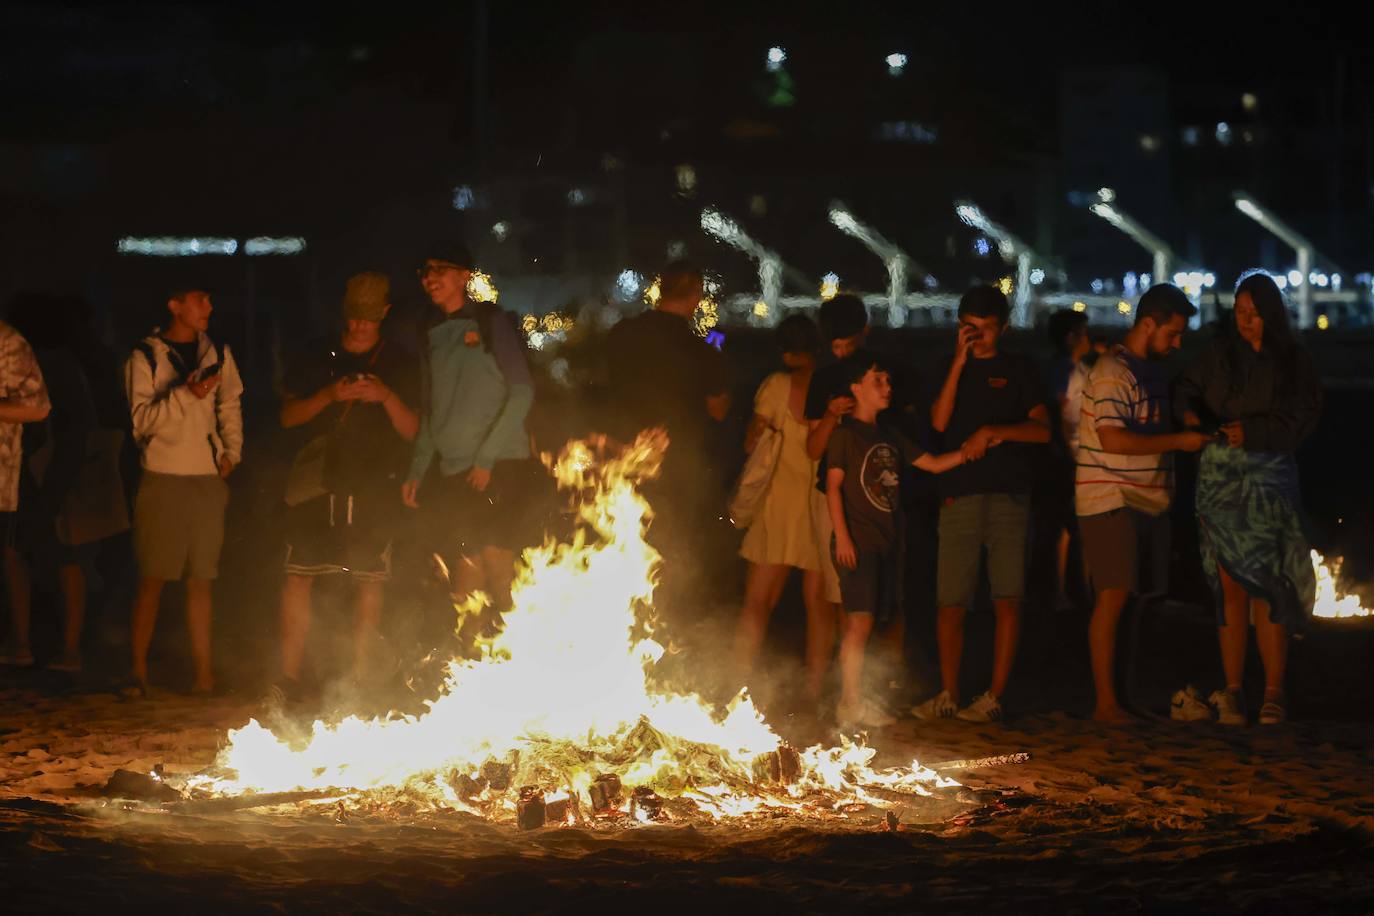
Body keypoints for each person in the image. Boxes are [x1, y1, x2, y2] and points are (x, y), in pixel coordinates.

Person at [1175, 272, 1322, 726]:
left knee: (1270, 585)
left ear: (1271, 314)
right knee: (1230, 588)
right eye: (1240, 313)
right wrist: (1192, 421)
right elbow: (1185, 388)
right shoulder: (1220, 354)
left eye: (1254, 314)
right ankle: (1233, 691)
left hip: (1269, 482)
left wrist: (1255, 432)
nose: (1247, 322)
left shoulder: (1294, 360)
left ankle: (1274, 693)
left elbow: (1303, 416)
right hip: (1220, 483)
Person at [274, 272, 418, 704]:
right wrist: (329, 395)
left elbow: (413, 431)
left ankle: (357, 680)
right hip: (318, 483)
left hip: (374, 485)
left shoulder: (399, 361)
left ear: (384, 315)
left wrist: (386, 396)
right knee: (298, 577)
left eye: (368, 320)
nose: (359, 327)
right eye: (354, 318)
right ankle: (287, 679)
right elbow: (288, 417)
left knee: (368, 581)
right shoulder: (319, 353)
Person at [912, 285, 1050, 723]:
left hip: (1010, 495)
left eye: (986, 330)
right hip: (959, 495)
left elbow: (1043, 431)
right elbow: (937, 422)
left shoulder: (1020, 369)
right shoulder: (948, 368)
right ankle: (949, 693)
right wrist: (958, 363)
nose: (978, 338)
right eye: (969, 329)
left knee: (1008, 599)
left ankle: (993, 696)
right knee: (950, 602)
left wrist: (996, 431)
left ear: (1004, 328)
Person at [1075, 285, 1210, 723]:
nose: (1178, 343)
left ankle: (1121, 697)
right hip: (1111, 496)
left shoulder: (1149, 369)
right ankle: (1105, 703)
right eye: (1172, 333)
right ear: (1148, 324)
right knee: (1114, 597)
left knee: (1133, 602)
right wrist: (1180, 440)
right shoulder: (1115, 370)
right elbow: (1112, 438)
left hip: (1147, 499)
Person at [826, 352, 975, 728]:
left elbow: (934, 464)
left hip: (887, 541)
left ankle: (864, 698)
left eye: (888, 381)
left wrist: (971, 450)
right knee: (859, 622)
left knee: (875, 620)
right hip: (856, 541)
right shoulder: (845, 434)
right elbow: (833, 486)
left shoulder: (890, 435)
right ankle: (848, 703)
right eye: (878, 381)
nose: (887, 387)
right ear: (856, 388)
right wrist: (843, 538)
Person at [403, 244, 534, 617]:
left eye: (440, 268)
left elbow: (523, 391)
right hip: (454, 470)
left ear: (463, 276)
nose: (429, 278)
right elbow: (432, 409)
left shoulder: (490, 322)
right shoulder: (431, 332)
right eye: (425, 270)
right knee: (466, 576)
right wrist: (417, 468)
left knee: (498, 568)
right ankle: (471, 661)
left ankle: (523, 652)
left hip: (500, 464)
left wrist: (487, 457)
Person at [124, 286, 243, 694]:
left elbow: (229, 404)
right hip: (162, 475)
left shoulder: (218, 352)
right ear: (174, 305)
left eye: (210, 299)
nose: (209, 307)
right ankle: (137, 672)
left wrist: (232, 453)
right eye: (200, 300)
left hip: (206, 478)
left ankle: (204, 675)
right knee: (153, 577)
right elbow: (142, 421)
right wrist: (185, 395)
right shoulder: (145, 356)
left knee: (202, 579)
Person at [604, 260, 730, 616]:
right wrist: (717, 353)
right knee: (676, 546)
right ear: (696, 296)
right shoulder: (702, 348)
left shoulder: (622, 334)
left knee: (624, 539)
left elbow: (608, 384)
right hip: (678, 464)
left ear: (659, 290)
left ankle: (625, 618)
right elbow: (718, 408)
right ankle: (668, 624)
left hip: (623, 455)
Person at [731, 315, 836, 705]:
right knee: (819, 605)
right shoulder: (830, 386)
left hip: (778, 503)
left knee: (757, 603)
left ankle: (738, 682)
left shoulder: (774, 386)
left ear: (783, 349)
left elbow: (751, 445)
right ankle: (814, 689)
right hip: (819, 500)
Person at [0, 316, 51, 666]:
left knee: (9, 553)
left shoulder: (7, 342)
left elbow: (38, 407)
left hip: (1, 476)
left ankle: (20, 644)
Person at [1046, 309, 1093, 611]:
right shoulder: (1064, 369)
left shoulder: (1077, 367)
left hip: (1082, 453)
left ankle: (1076, 589)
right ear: (1072, 337)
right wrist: (1065, 449)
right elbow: (1058, 408)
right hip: (1073, 454)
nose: (1088, 338)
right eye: (1083, 333)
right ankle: (1062, 590)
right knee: (1068, 525)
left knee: (1078, 525)